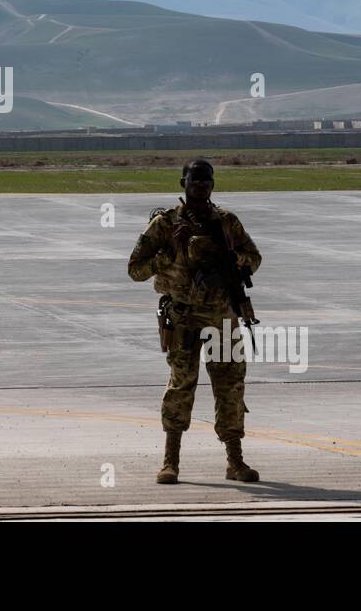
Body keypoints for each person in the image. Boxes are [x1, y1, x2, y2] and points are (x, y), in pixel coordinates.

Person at [127, 157, 263, 484]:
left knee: (230, 388)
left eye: (205, 181)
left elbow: (254, 258)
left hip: (222, 317)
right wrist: (168, 253)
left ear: (212, 185)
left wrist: (227, 259)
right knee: (181, 385)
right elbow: (135, 270)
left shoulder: (227, 223)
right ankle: (170, 461)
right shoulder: (165, 224)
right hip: (184, 316)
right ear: (183, 184)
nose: (200, 186)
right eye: (194, 181)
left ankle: (235, 462)